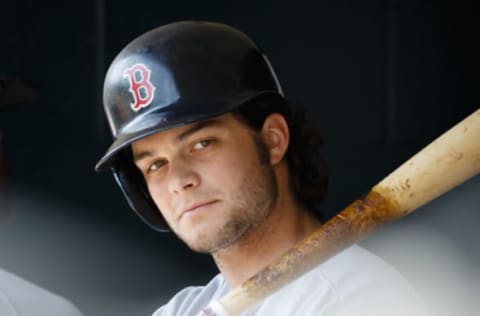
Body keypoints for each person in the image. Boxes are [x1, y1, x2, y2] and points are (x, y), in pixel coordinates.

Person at [95, 21, 429, 316]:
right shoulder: (184, 309)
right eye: (155, 164)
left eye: (201, 144)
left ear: (273, 140)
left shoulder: (360, 297)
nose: (179, 181)